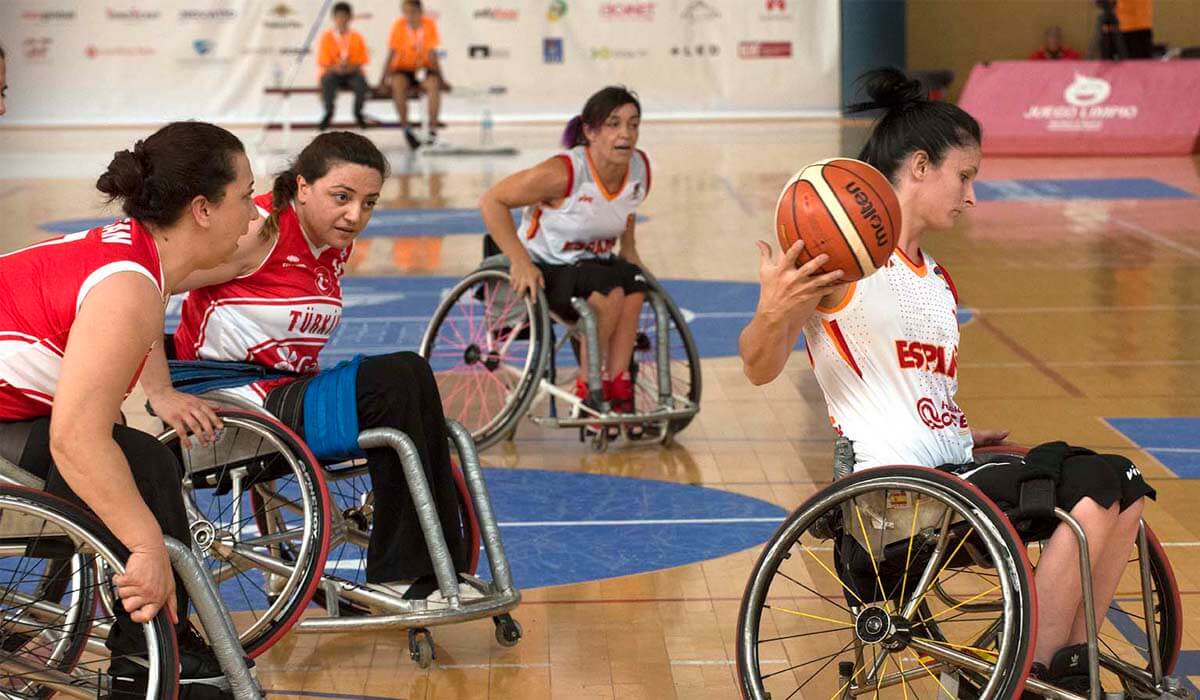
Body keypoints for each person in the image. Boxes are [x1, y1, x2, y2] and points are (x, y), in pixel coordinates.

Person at [738, 68, 1154, 696]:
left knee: (1125, 488)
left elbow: (908, 392)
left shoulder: (937, 280)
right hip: (891, 503)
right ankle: (1033, 674)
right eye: (966, 176)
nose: (972, 197)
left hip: (951, 477)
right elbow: (757, 365)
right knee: (1097, 483)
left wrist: (952, 429)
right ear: (922, 167)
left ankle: (1067, 664)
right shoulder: (844, 265)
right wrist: (773, 310)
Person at [144, 131, 473, 600]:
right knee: (400, 376)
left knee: (408, 382)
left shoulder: (333, 243)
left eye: (369, 203)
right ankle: (409, 571)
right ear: (301, 187)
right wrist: (161, 391)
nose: (355, 215)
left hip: (282, 393)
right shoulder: (256, 231)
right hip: (226, 403)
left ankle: (440, 569)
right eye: (341, 197)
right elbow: (142, 286)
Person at [0, 121, 258, 695]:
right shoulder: (129, 287)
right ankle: (144, 647)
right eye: (246, 197)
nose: (252, 214)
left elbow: (238, 259)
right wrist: (145, 547)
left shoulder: (137, 253)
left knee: (132, 453)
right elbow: (74, 440)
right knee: (132, 462)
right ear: (202, 209)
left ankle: (141, 642)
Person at [480, 86, 650, 426]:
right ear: (590, 132)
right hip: (546, 266)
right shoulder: (563, 171)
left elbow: (625, 208)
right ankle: (590, 388)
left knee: (635, 284)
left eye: (633, 124)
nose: (625, 134)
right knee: (609, 290)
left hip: (593, 263)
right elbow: (491, 201)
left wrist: (630, 250)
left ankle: (619, 385)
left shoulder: (639, 167)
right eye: (613, 124)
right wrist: (519, 261)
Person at [380, 0, 445, 149]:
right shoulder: (398, 25)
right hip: (404, 69)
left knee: (434, 85)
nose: (409, 15)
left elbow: (432, 54)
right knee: (397, 83)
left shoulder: (429, 25)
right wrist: (383, 80)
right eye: (405, 12)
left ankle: (432, 130)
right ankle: (407, 129)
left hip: (423, 67)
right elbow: (391, 54)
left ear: (420, 12)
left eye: (412, 12)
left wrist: (441, 77)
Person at [316, 2, 370, 131]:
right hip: (333, 72)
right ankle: (329, 111)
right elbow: (323, 62)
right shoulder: (327, 37)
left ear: (350, 17)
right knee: (327, 80)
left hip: (352, 71)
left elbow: (361, 60)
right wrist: (336, 68)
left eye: (344, 16)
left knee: (361, 83)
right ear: (334, 18)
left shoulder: (357, 37)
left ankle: (358, 112)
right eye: (339, 16)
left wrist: (349, 68)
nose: (341, 20)